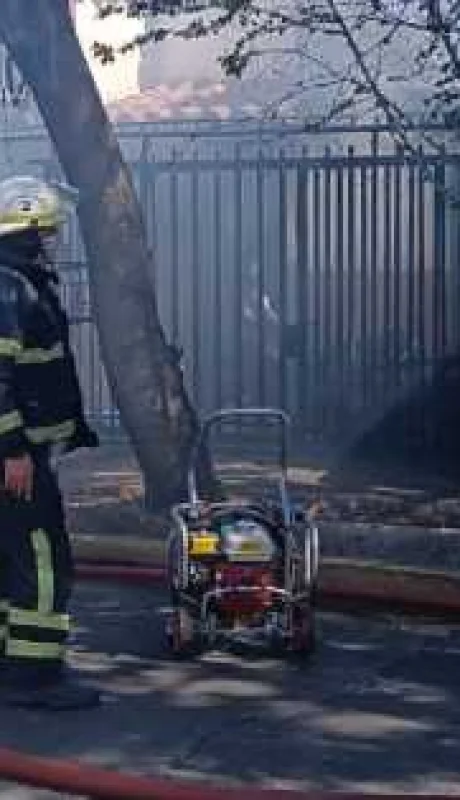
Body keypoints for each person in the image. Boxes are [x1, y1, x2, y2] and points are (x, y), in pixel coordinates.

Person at [0, 175, 101, 709]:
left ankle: (9, 662)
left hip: (25, 453)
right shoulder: (9, 286)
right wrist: (14, 451)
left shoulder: (12, 282)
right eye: (47, 232)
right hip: (21, 458)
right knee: (42, 558)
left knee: (9, 555)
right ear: (27, 231)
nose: (53, 243)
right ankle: (35, 674)